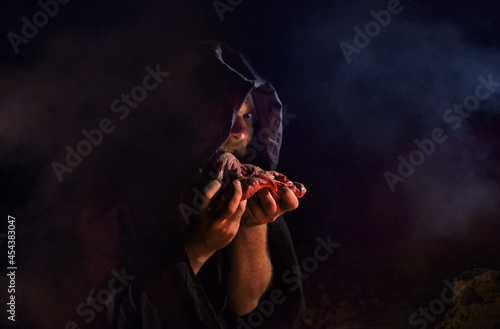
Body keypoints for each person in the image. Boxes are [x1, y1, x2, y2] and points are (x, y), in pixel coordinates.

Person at [85, 43, 304, 329]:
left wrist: (251, 225)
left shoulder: (242, 184)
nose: (238, 132)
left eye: (247, 116)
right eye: (223, 115)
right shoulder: (118, 196)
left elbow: (247, 306)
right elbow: (114, 317)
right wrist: (199, 248)